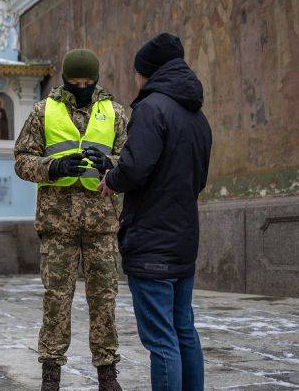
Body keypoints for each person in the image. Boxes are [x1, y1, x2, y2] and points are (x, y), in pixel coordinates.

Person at [99, 33, 212, 390]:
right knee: (184, 331)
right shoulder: (197, 117)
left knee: (161, 341)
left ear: (148, 72)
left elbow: (135, 167)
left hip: (151, 241)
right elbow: (199, 178)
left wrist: (111, 179)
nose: (137, 80)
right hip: (183, 238)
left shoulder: (151, 108)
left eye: (138, 73)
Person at [14, 49, 128, 390]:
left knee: (104, 300)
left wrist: (110, 163)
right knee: (56, 301)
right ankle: (51, 376)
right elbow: (22, 160)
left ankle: (107, 376)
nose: (81, 87)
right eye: (75, 82)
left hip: (102, 225)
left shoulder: (115, 113)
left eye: (88, 82)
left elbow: (133, 160)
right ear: (64, 80)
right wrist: (53, 168)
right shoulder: (42, 112)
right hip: (57, 225)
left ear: (96, 80)